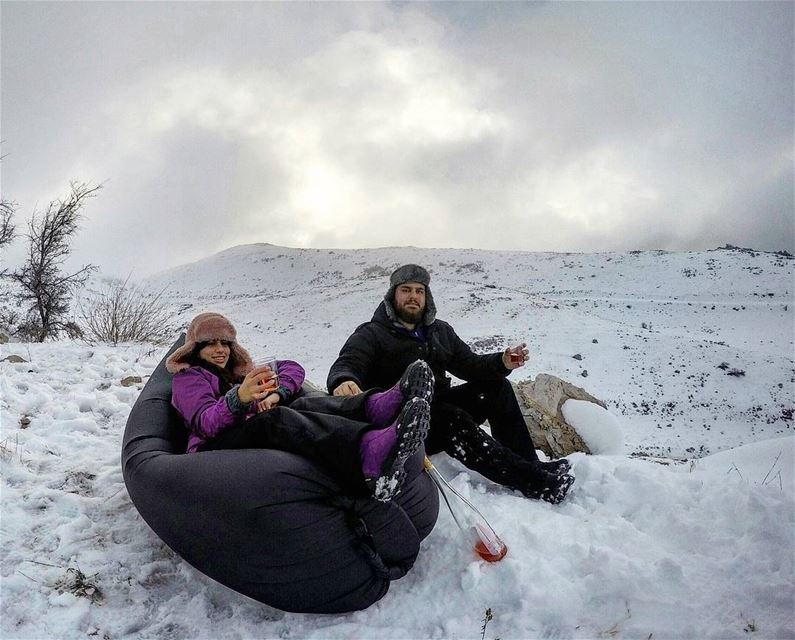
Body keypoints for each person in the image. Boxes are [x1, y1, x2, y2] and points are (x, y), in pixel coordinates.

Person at [327, 264, 574, 503]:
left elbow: (471, 366)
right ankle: (532, 481)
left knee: (496, 387)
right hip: (404, 421)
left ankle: (530, 463)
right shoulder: (372, 333)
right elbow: (348, 362)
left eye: (419, 291)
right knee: (449, 418)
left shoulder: (440, 332)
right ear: (393, 296)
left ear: (427, 297)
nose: (413, 296)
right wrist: (344, 380)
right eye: (406, 290)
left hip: (440, 407)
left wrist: (502, 362)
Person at [166, 311, 435, 502]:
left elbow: (292, 368)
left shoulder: (238, 372)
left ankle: (377, 407)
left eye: (225, 342)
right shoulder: (190, 377)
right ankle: (369, 454)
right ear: (195, 348)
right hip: (210, 452)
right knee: (277, 420)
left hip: (244, 429)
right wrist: (241, 398)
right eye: (210, 343)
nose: (220, 350)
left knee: (304, 402)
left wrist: (275, 395)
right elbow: (204, 422)